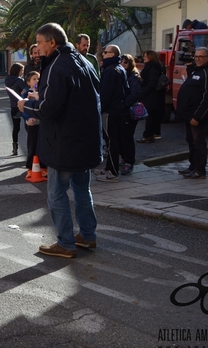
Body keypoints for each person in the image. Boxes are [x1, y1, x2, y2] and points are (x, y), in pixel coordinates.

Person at [18, 23, 102, 259]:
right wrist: (42, 97)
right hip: (85, 140)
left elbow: (51, 109)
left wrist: (29, 105)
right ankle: (87, 235)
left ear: (52, 42)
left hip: (63, 143)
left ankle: (65, 243)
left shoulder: (56, 66)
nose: (37, 48)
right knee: (82, 190)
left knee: (56, 193)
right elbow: (81, 97)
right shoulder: (83, 61)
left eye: (40, 42)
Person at [177, 46, 208, 179]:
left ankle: (200, 169)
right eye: (196, 56)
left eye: (201, 57)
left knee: (198, 142)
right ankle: (193, 166)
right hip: (188, 114)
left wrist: (198, 116)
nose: (197, 59)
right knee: (190, 140)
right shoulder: (198, 71)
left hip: (197, 115)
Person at [97, 45, 127, 181]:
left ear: (112, 55)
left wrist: (100, 109)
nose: (103, 54)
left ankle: (113, 172)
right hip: (117, 109)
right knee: (112, 140)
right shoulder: (120, 68)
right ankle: (108, 168)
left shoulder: (110, 70)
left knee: (111, 141)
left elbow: (106, 93)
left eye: (106, 52)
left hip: (110, 111)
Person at [119, 54, 141, 175]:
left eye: (125, 63)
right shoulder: (121, 75)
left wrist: (124, 105)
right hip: (122, 111)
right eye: (121, 62)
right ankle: (124, 159)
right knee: (121, 136)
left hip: (129, 111)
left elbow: (135, 94)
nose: (123, 64)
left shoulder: (133, 77)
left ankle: (129, 162)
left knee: (127, 136)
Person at [20, 71, 44, 180]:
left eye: (38, 79)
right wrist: (28, 118)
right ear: (28, 82)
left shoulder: (42, 93)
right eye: (34, 79)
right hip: (31, 124)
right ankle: (30, 167)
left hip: (42, 124)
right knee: (32, 145)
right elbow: (22, 109)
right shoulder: (26, 94)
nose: (37, 81)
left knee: (42, 145)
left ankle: (43, 166)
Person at [137, 50, 166, 143]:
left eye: (146, 56)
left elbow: (152, 82)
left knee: (150, 116)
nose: (144, 58)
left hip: (151, 95)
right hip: (155, 95)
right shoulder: (157, 66)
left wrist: (143, 92)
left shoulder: (152, 67)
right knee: (154, 116)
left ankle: (147, 135)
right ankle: (155, 133)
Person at [5, 63, 26, 156]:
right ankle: (30, 147)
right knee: (29, 127)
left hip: (13, 106)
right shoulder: (19, 80)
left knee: (16, 128)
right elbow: (27, 90)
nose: (22, 72)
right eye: (21, 70)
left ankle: (15, 148)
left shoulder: (7, 80)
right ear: (18, 71)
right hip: (22, 106)